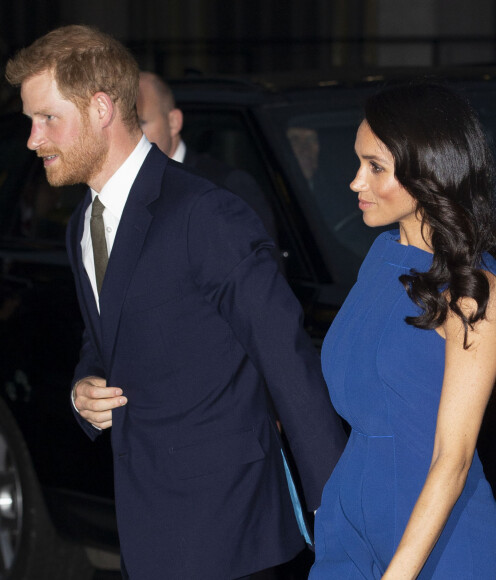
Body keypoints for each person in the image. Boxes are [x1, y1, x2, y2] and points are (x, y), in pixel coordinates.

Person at [6, 25, 347, 580]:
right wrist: (83, 388)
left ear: (99, 109)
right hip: (147, 525)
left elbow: (288, 362)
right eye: (29, 121)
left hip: (233, 531)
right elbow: (103, 337)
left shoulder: (205, 213)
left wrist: (340, 513)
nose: (32, 139)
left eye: (47, 118)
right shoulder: (80, 225)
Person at [308, 82, 496, 580]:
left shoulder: (473, 290)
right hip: (349, 526)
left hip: (438, 546)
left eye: (375, 167)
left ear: (429, 171)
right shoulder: (381, 258)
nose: (356, 183)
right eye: (359, 163)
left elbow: (453, 458)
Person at [137, 71, 278, 243]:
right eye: (124, 126)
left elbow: (259, 265)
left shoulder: (226, 186)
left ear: (173, 122)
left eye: (140, 123)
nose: (131, 136)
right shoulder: (110, 189)